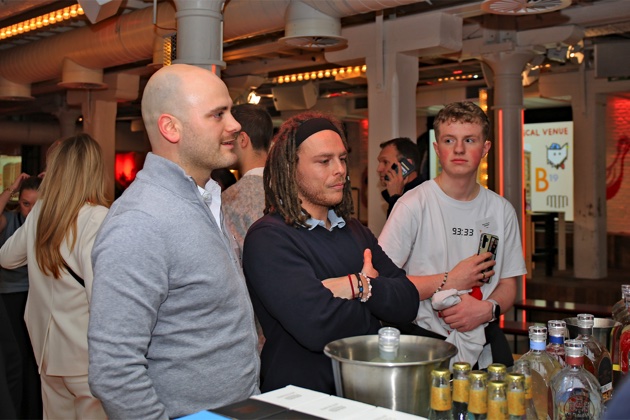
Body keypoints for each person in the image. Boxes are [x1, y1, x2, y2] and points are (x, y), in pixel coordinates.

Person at [88, 64, 260, 419]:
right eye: (218, 114)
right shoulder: (140, 221)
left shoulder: (204, 199)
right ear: (171, 128)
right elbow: (114, 370)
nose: (235, 125)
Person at [242, 110, 419, 394]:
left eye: (342, 159)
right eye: (324, 161)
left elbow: (407, 302)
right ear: (290, 167)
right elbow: (318, 327)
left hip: (364, 393)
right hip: (301, 400)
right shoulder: (269, 237)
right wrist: (373, 303)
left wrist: (358, 286)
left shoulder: (354, 230)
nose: (340, 170)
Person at [379, 101, 526, 369]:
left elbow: (508, 284)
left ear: (485, 148)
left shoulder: (501, 210)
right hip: (423, 344)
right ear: (437, 149)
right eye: (449, 140)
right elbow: (383, 283)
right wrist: (449, 280)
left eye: (469, 140)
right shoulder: (412, 205)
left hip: (484, 341)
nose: (459, 149)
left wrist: (488, 309)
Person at [0, 134, 109, 419]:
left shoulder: (40, 212)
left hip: (46, 351)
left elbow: (6, 258)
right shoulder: (97, 217)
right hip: (86, 355)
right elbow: (101, 297)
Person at [0, 173, 43, 419]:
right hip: (10, 297)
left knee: (35, 362)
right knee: (14, 359)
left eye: (36, 204)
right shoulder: (9, 220)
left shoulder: (47, 224)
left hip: (37, 297)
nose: (30, 210)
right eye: (26, 204)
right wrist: (11, 189)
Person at [222, 103, 274, 256]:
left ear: (242, 140)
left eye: (227, 140)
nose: (223, 146)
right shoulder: (296, 187)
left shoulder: (231, 199)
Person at [377, 137, 424, 217]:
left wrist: (395, 197)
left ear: (406, 165)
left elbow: (397, 225)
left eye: (385, 162)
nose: (379, 169)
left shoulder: (423, 198)